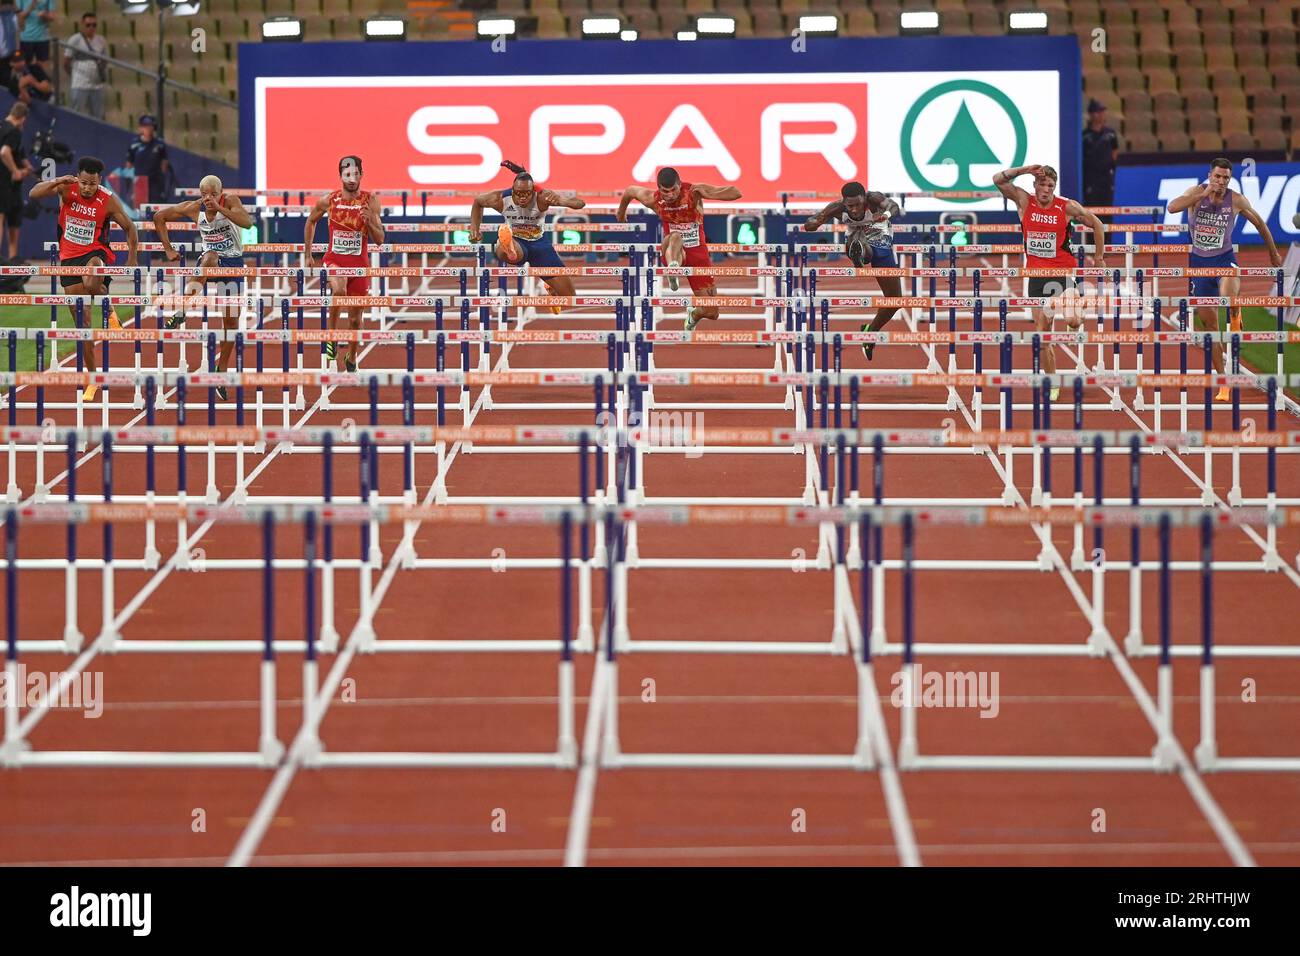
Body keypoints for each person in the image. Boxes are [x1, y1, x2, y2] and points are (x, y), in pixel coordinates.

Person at [1167, 158, 1282, 401]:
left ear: (1229, 179)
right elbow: (1172, 208)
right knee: (1210, 327)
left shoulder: (1236, 199)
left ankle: (1235, 311)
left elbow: (1260, 223)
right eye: (1217, 176)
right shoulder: (1195, 192)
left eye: (1225, 178)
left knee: (1230, 291)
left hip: (1224, 259)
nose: (1221, 182)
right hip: (1199, 265)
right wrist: (1202, 194)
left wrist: (1272, 252)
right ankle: (1224, 382)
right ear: (1210, 175)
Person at [29, 155, 139, 400]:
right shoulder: (67, 188)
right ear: (78, 177)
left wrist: (132, 259)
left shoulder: (107, 200)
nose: (88, 188)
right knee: (83, 325)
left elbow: (130, 227)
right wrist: (57, 180)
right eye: (85, 183)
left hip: (95, 253)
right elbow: (34, 194)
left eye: (93, 183)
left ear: (100, 180)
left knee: (93, 278)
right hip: (69, 258)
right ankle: (93, 379)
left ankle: (108, 308)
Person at [993, 163, 1107, 400]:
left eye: (1051, 186)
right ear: (1035, 185)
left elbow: (1097, 223)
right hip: (1035, 276)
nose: (1046, 189)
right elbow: (998, 180)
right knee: (1042, 335)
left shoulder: (1066, 207)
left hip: (1062, 273)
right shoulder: (1024, 201)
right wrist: (1024, 170)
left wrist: (1099, 257)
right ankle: (1052, 383)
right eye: (1042, 184)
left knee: (1074, 321)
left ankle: (1071, 314)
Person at [153, 174, 254, 401]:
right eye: (204, 194)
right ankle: (183, 310)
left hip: (233, 263)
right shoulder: (192, 208)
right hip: (211, 260)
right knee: (209, 256)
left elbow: (247, 223)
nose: (208, 198)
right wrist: (167, 249)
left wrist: (220, 206)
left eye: (213, 194)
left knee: (230, 322)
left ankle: (221, 370)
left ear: (221, 192)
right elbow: (159, 217)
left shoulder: (231, 201)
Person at [615, 168, 741, 330]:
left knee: (712, 313)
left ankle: (694, 314)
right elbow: (630, 191)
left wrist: (710, 193)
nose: (669, 195)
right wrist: (621, 211)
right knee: (675, 237)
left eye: (673, 190)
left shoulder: (693, 193)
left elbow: (736, 193)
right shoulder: (653, 200)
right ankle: (673, 269)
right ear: (659, 188)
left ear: (679, 185)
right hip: (673, 251)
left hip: (698, 256)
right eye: (664, 191)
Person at [468, 160, 587, 314]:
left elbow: (580, 204)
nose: (522, 198)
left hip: (539, 245)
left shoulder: (543, 197)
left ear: (533, 191)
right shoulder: (500, 199)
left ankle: (550, 288)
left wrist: (560, 200)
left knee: (570, 297)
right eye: (518, 194)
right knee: (513, 254)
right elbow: (478, 202)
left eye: (526, 194)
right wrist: (474, 228)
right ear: (512, 190)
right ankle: (507, 245)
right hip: (517, 241)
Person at [802, 181, 904, 361]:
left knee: (895, 300)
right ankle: (860, 254)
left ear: (864, 199)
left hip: (883, 243)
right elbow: (812, 222)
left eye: (858, 204)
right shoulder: (836, 208)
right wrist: (815, 222)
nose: (855, 210)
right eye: (850, 206)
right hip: (856, 241)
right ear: (844, 202)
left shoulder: (874, 199)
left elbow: (893, 206)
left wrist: (886, 215)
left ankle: (870, 332)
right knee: (858, 241)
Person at [303, 155, 384, 372]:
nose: (351, 178)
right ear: (340, 176)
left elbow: (380, 239)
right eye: (347, 174)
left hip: (359, 265)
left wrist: (370, 223)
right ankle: (331, 337)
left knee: (356, 321)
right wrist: (308, 252)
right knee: (338, 290)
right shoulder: (329, 200)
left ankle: (351, 355)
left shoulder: (371, 201)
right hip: (334, 260)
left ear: (361, 175)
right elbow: (311, 221)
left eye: (355, 173)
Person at [0, 100, 33, 261]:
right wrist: (15, 171)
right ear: (22, 118)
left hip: (9, 187)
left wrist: (25, 167)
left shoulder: (2, 127)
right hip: (5, 184)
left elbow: (17, 154)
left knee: (10, 217)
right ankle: (9, 258)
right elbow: (4, 152)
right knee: (2, 218)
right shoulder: (14, 132)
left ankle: (12, 260)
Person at [64, 11, 106, 119]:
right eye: (88, 25)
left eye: (94, 25)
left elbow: (105, 59)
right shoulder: (75, 39)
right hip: (80, 82)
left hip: (96, 83)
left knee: (97, 114)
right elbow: (66, 61)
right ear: (82, 24)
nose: (91, 28)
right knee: (76, 112)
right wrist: (74, 75)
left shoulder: (101, 40)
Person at [1082, 99, 1119, 215]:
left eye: (1103, 111)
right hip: (1091, 179)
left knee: (1107, 211)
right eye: (1098, 112)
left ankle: (1107, 234)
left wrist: (1110, 165)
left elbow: (1115, 150)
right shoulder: (1085, 136)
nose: (1102, 114)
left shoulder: (1111, 134)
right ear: (1091, 114)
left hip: (1106, 179)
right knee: (1091, 212)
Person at [126, 115, 169, 206]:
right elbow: (129, 164)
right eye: (145, 126)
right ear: (141, 128)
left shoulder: (160, 144)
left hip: (155, 182)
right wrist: (132, 181)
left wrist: (161, 177)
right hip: (140, 181)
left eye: (150, 126)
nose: (148, 129)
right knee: (140, 209)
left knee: (157, 208)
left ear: (154, 128)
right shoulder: (134, 144)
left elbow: (164, 163)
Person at [16, 0, 53, 77]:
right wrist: (30, 7)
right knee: (25, 68)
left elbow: (52, 17)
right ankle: (28, 86)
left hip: (43, 38)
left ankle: (41, 86)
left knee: (43, 68)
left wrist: (44, 15)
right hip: (26, 38)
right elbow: (20, 17)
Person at [0, 3, 21, 92]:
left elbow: (21, 28)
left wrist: (17, 10)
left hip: (6, 55)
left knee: (5, 84)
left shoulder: (11, 16)